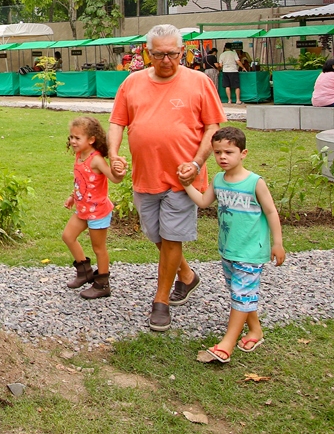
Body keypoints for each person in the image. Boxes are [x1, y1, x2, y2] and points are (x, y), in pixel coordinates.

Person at [108, 24, 226, 332]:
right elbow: (117, 122)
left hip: (183, 178)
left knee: (172, 237)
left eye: (173, 54)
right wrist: (114, 154)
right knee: (157, 236)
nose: (166, 60)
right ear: (148, 53)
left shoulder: (199, 82)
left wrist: (198, 162)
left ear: (182, 52)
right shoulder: (131, 83)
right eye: (158, 54)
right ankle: (187, 276)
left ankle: (160, 302)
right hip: (145, 175)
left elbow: (213, 127)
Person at [180, 126, 285, 363]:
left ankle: (227, 344)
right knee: (241, 295)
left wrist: (277, 243)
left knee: (241, 294)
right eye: (218, 152)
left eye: (229, 152)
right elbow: (204, 202)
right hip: (228, 250)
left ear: (243, 153)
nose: (222, 157)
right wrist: (186, 184)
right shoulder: (218, 180)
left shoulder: (255, 182)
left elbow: (271, 212)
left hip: (251, 251)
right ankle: (255, 331)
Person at [62, 116, 126, 299]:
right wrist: (73, 197)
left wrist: (120, 173)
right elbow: (81, 182)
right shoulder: (79, 156)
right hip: (83, 210)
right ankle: (84, 271)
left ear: (91, 139)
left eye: (77, 138)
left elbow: (114, 178)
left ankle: (102, 283)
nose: (73, 141)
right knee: (68, 236)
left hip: (98, 212)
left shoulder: (96, 160)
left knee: (99, 248)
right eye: (71, 137)